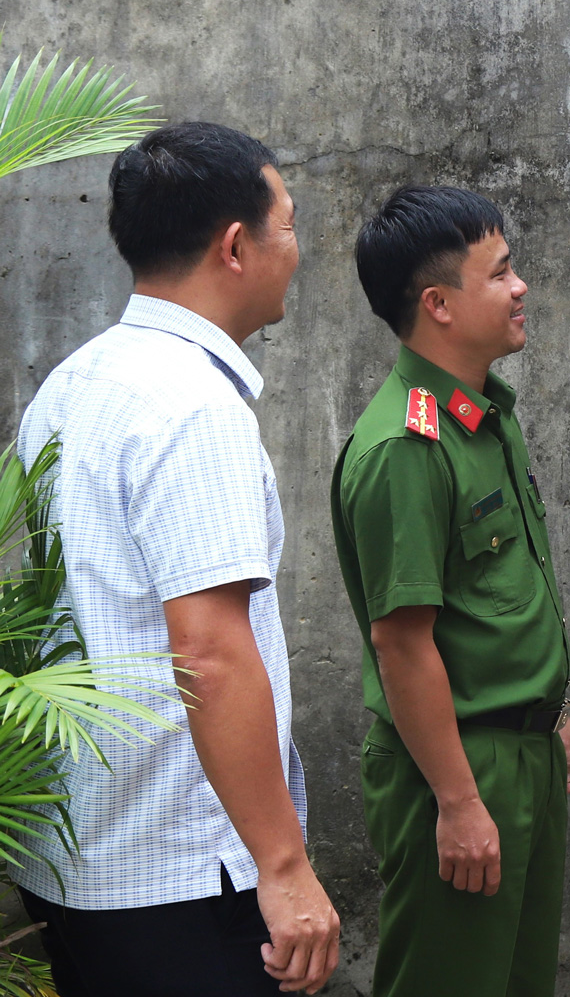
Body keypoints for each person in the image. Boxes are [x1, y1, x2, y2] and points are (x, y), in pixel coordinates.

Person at [13, 122, 340, 995]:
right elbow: (209, 649)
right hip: (182, 873)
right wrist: (284, 866)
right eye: (290, 224)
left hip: (77, 860)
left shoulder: (71, 385)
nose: (296, 250)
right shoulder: (193, 406)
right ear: (236, 246)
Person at [331, 186, 570, 997]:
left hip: (522, 752)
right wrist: (459, 801)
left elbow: (494, 594)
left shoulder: (484, 417)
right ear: (438, 304)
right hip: (459, 766)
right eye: (500, 272)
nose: (521, 288)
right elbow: (401, 643)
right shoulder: (405, 449)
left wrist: (549, 712)